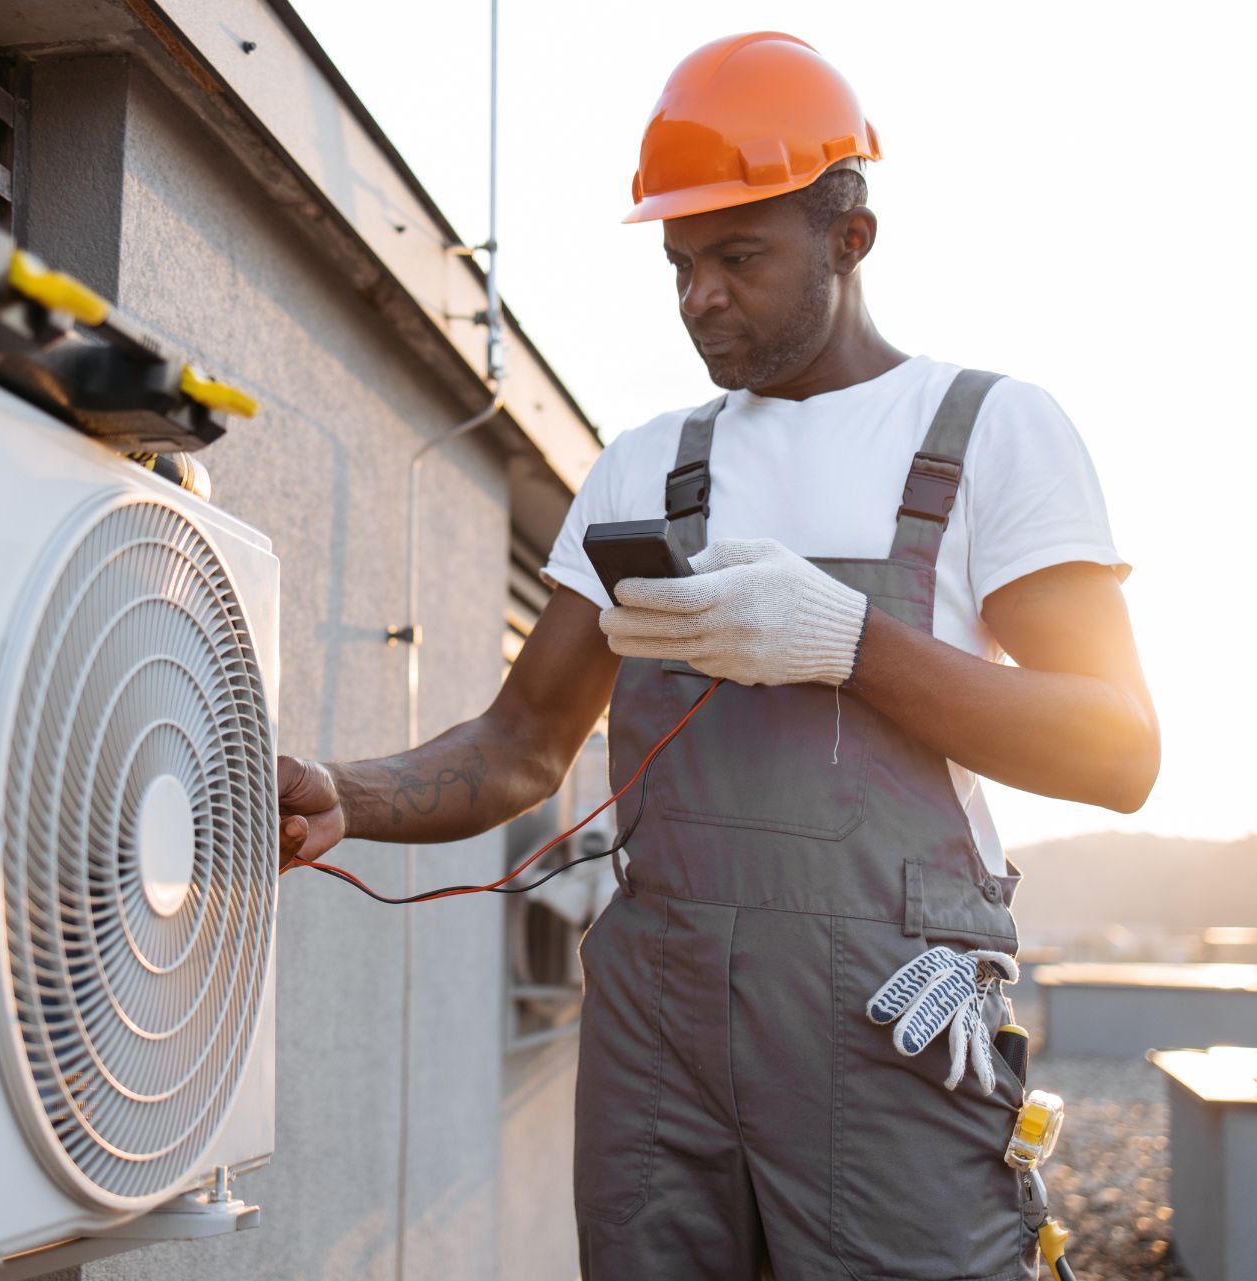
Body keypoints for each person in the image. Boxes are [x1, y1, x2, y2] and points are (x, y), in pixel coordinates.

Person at [276, 30, 1156, 1281]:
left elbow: (1119, 750)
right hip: (661, 1027)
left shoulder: (988, 432)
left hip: (882, 1013)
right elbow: (522, 746)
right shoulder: (648, 463)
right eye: (682, 263)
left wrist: (843, 641)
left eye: (739, 256)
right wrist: (347, 795)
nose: (701, 296)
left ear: (850, 239)